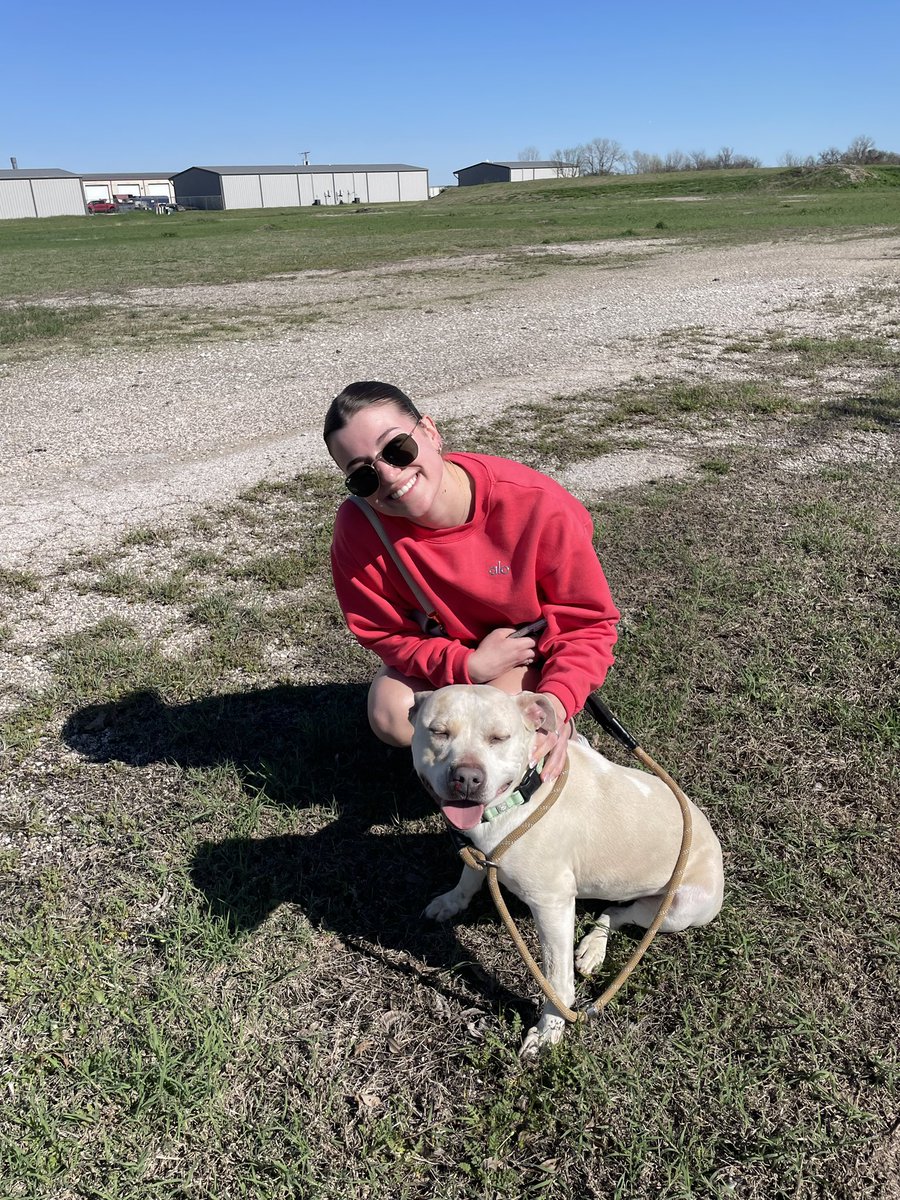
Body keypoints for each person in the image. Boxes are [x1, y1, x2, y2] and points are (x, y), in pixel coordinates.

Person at [324, 381, 620, 782]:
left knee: (500, 712)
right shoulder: (360, 525)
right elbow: (382, 631)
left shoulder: (535, 503)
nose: (390, 476)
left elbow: (585, 623)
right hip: (454, 649)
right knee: (391, 713)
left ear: (430, 431)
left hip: (523, 653)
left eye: (396, 449)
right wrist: (467, 665)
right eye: (363, 476)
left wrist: (554, 703)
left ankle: (540, 741)